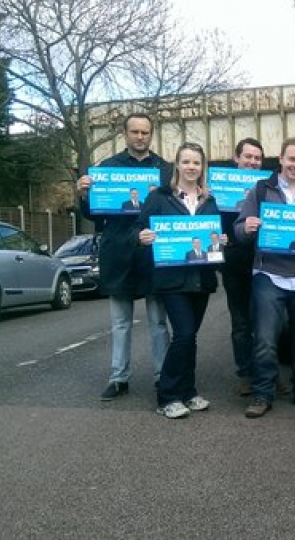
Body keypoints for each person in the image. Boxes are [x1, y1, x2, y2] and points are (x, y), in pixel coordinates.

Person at [235, 136, 295, 418]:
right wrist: (248, 227)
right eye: (291, 159)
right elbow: (239, 229)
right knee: (265, 340)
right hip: (269, 274)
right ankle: (262, 394)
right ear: (280, 159)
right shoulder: (261, 190)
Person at [76, 113, 171, 401]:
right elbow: (94, 215)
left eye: (145, 132)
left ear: (151, 135)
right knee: (120, 323)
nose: (140, 137)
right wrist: (82, 195)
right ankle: (119, 378)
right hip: (118, 253)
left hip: (154, 254)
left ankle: (162, 377)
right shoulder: (106, 168)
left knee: (158, 323)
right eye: (135, 132)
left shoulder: (166, 170)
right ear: (125, 134)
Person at [136, 142, 220, 419]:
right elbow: (140, 230)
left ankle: (189, 391)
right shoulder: (159, 197)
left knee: (190, 338)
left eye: (196, 163)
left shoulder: (210, 200)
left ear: (202, 167)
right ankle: (167, 395)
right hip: (172, 280)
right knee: (183, 334)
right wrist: (143, 237)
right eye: (186, 162)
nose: (191, 167)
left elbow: (216, 236)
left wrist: (223, 241)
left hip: (202, 280)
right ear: (177, 165)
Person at [218, 138, 272, 398]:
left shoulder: (268, 188)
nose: (252, 162)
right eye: (248, 157)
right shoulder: (219, 190)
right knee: (241, 324)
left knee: (268, 323)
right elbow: (207, 222)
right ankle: (247, 375)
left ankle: (267, 373)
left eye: (257, 158)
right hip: (236, 265)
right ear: (236, 159)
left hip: (266, 263)